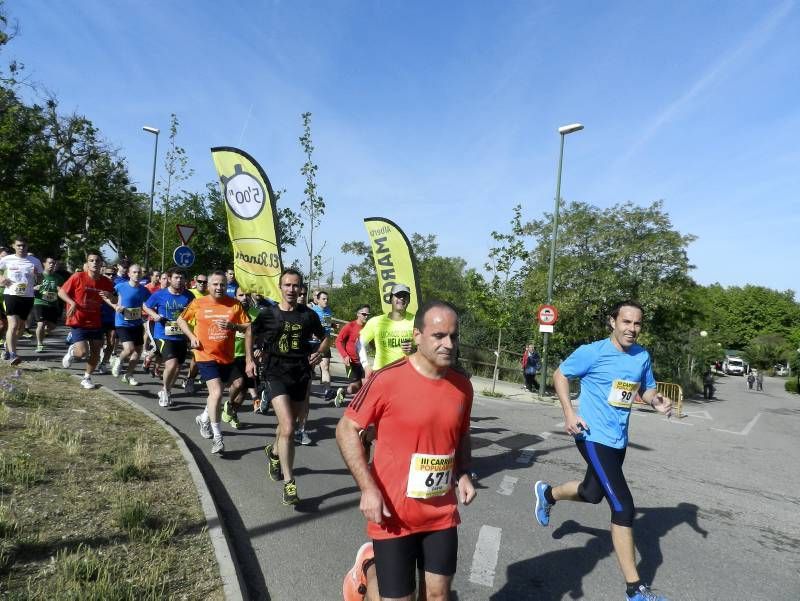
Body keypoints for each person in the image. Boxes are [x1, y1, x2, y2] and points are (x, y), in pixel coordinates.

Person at [532, 300, 673, 601]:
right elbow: (560, 374)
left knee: (591, 492)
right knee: (623, 507)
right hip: (592, 436)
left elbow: (644, 389)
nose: (632, 329)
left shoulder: (641, 356)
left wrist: (656, 400)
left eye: (637, 324)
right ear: (612, 322)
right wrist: (569, 413)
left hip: (617, 440)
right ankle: (634, 589)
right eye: (626, 322)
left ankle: (547, 494)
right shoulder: (592, 352)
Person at [337, 300, 475, 601]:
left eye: (454, 336)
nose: (448, 344)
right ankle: (367, 569)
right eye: (439, 336)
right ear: (417, 336)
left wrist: (463, 472)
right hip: (393, 511)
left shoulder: (463, 386)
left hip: (440, 511)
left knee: (438, 596)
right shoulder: (387, 379)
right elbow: (346, 429)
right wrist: (368, 489)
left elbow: (461, 434)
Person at [245, 268, 328, 506]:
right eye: (287, 285)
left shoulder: (308, 315)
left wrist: (319, 353)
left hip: (300, 374)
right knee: (290, 427)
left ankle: (273, 452)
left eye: (296, 286)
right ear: (280, 287)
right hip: (275, 372)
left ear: (301, 289)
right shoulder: (268, 313)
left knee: (288, 425)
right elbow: (250, 330)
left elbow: (324, 338)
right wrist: (250, 360)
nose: (291, 290)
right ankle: (289, 484)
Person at [178, 271, 251, 454]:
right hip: (204, 354)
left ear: (227, 286)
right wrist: (192, 336)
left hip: (226, 356)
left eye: (222, 285)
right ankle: (218, 437)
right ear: (208, 286)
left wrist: (233, 326)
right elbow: (180, 320)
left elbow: (248, 326)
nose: (219, 288)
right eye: (215, 284)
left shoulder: (234, 305)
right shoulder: (198, 302)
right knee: (217, 393)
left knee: (225, 390)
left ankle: (204, 418)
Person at [59, 250, 115, 389]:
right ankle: (73, 351)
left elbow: (113, 299)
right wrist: (71, 303)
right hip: (78, 320)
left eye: (97, 261)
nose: (95, 263)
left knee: (97, 349)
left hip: (95, 320)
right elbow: (61, 292)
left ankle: (87, 378)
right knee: (82, 353)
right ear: (87, 263)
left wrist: (110, 296)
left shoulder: (106, 282)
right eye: (91, 260)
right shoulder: (78, 277)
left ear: (102, 264)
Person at [143, 268, 194, 408]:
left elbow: (194, 313)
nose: (179, 280)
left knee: (177, 368)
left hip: (181, 336)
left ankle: (168, 390)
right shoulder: (160, 294)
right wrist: (154, 315)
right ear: (170, 279)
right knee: (171, 364)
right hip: (163, 334)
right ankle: (165, 391)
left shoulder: (189, 296)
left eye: (182, 278)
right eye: (176, 277)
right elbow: (146, 306)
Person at [221, 287, 262, 429]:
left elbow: (263, 334)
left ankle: (232, 411)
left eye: (247, 295)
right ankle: (228, 404)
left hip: (248, 357)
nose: (244, 297)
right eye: (241, 295)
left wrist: (260, 349)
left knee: (244, 391)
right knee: (238, 384)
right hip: (231, 355)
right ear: (235, 296)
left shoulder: (257, 313)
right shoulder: (229, 311)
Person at [0, 236, 43, 365]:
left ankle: (8, 348)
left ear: (27, 246)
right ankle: (13, 354)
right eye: (18, 245)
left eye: (23, 245)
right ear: (13, 246)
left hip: (28, 296)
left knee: (21, 327)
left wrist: (37, 275)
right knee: (13, 325)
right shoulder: (7, 259)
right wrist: (1, 278)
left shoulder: (34, 261)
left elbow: (40, 279)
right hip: (11, 294)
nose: (21, 248)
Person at [358, 284, 415, 378]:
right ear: (390, 299)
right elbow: (359, 344)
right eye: (398, 295)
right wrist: (366, 365)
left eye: (405, 296)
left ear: (408, 300)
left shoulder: (416, 321)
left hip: (406, 376)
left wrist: (414, 350)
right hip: (381, 375)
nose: (401, 298)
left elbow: (427, 349)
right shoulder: (376, 321)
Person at [110, 264, 151, 386]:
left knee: (137, 352)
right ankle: (119, 360)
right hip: (122, 323)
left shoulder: (144, 290)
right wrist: (115, 306)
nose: (137, 274)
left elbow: (149, 304)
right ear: (129, 274)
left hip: (137, 323)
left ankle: (128, 375)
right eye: (134, 272)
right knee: (129, 349)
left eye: (139, 272)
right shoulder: (120, 286)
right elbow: (108, 297)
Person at [333, 304, 371, 407]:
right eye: (364, 314)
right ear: (358, 314)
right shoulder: (350, 326)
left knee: (365, 383)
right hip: (351, 362)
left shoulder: (368, 328)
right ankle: (347, 394)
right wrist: (345, 356)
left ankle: (346, 394)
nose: (366, 316)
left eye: (368, 314)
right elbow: (338, 341)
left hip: (362, 362)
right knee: (355, 386)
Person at [32, 256, 65, 353]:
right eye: (50, 263)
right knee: (41, 324)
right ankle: (39, 344)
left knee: (52, 326)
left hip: (53, 304)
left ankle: (42, 333)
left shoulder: (58, 277)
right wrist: (35, 288)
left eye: (54, 263)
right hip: (39, 302)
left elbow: (62, 290)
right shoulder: (39, 275)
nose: (52, 265)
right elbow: (29, 287)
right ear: (44, 264)